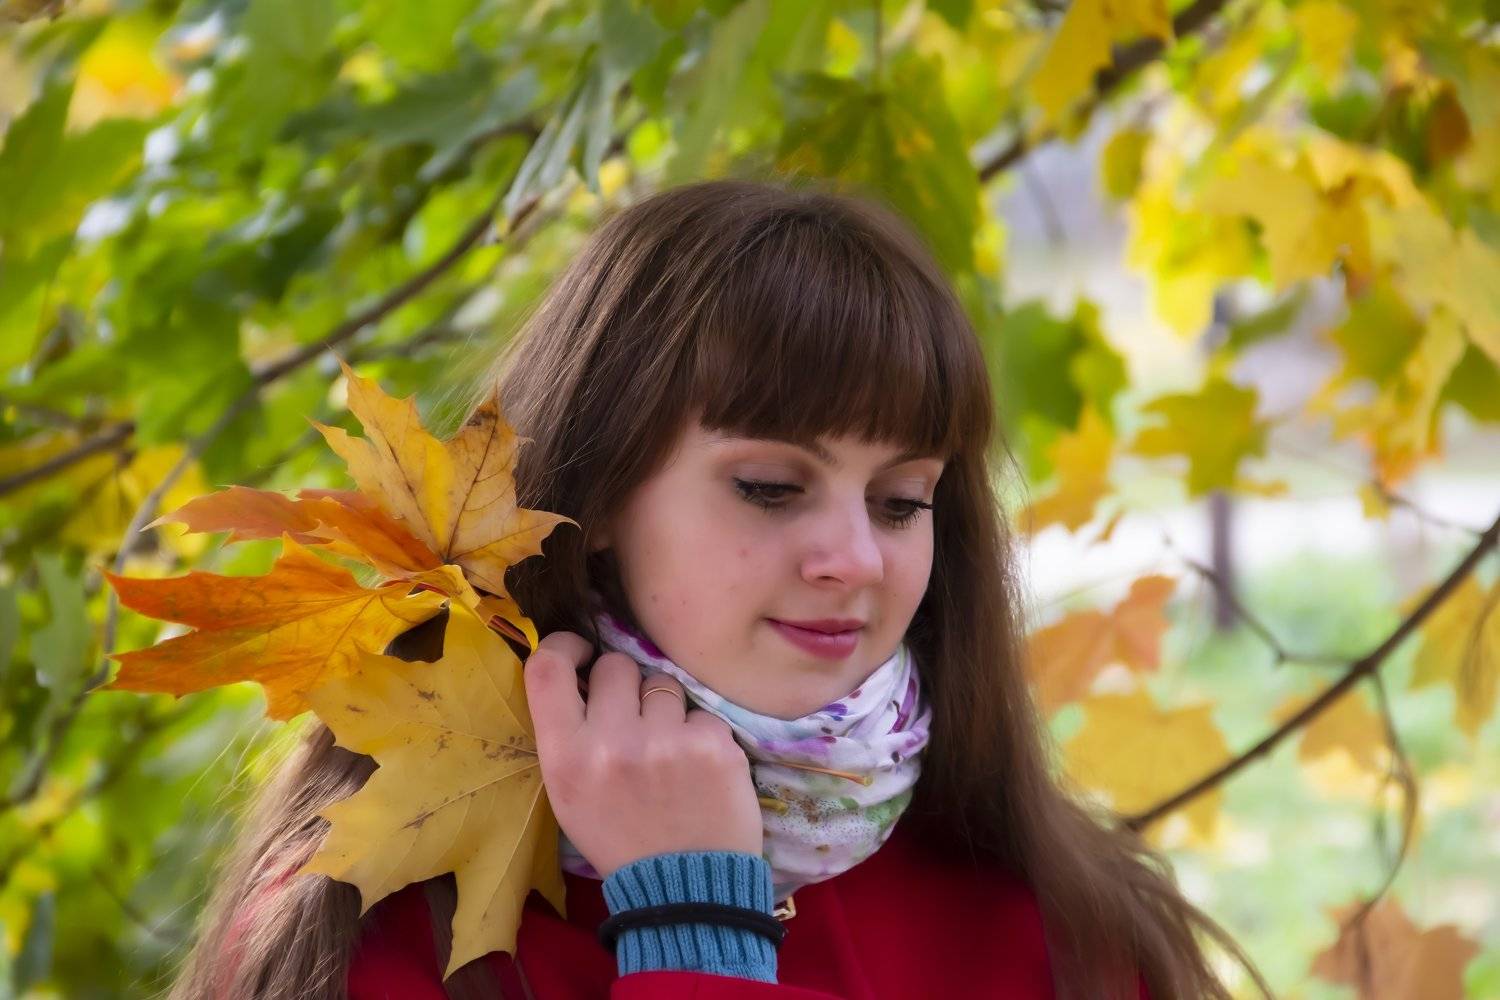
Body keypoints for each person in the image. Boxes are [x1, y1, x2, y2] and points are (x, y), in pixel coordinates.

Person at [165, 177, 1272, 1000]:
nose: (856, 558)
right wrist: (695, 928)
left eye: (900, 501)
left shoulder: (1064, 924)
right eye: (770, 488)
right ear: (598, 498)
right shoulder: (370, 922)